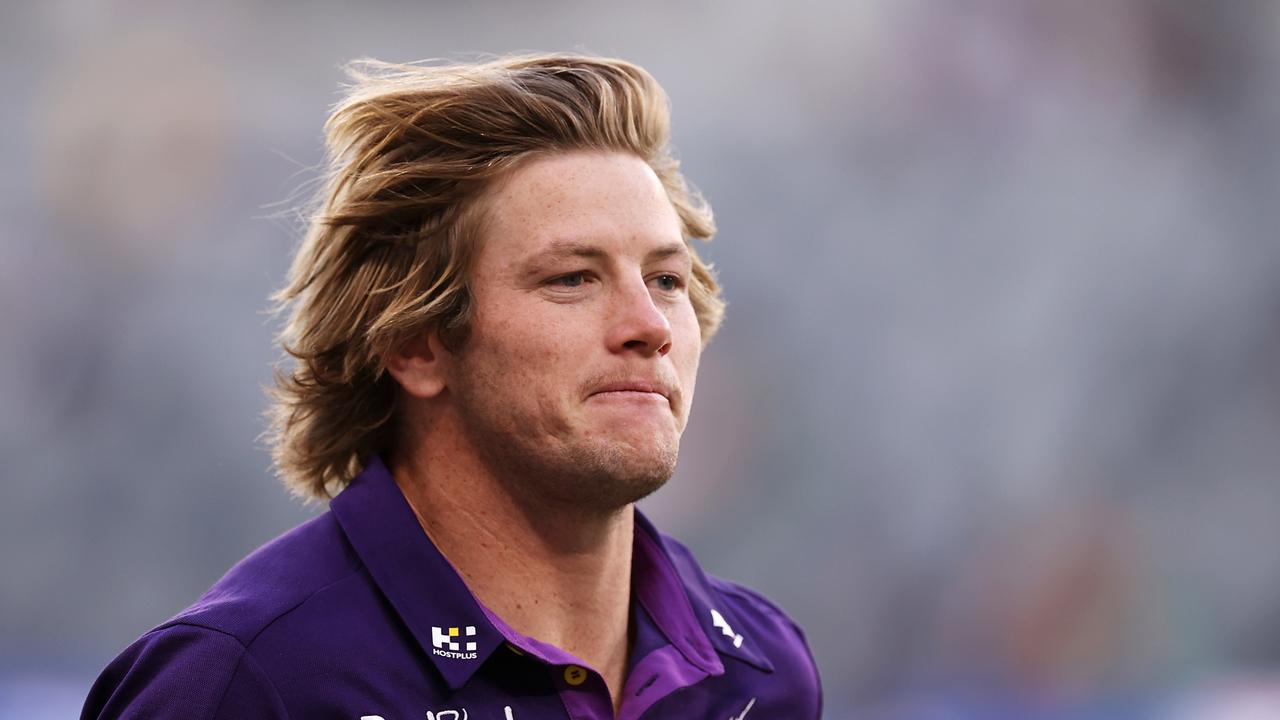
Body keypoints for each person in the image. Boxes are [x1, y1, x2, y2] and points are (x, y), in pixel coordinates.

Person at [82, 53, 822, 719]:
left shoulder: (762, 671)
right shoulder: (244, 684)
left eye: (666, 279)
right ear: (414, 343)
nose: (651, 325)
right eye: (572, 278)